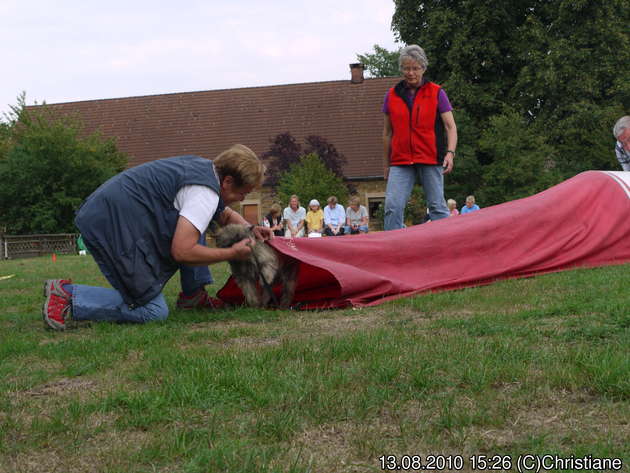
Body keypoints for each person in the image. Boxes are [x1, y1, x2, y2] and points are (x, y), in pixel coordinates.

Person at [42, 145, 272, 331]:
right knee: (152, 311)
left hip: (113, 214)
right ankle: (68, 296)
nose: (241, 200)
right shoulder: (204, 192)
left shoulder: (206, 171)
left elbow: (220, 212)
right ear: (228, 181)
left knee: (194, 224)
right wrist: (232, 253)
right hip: (111, 225)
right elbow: (182, 251)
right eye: (242, 193)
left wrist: (250, 228)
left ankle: (193, 296)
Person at [382, 44, 457, 230]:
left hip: (430, 157)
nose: (411, 73)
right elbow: (387, 133)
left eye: (415, 68)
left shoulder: (437, 92)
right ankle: (393, 248)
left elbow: (451, 127)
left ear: (423, 68)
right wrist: (386, 165)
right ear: (401, 69)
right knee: (392, 206)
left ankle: (447, 247)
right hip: (400, 160)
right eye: (406, 68)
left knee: (437, 207)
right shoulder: (391, 95)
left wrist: (450, 153)